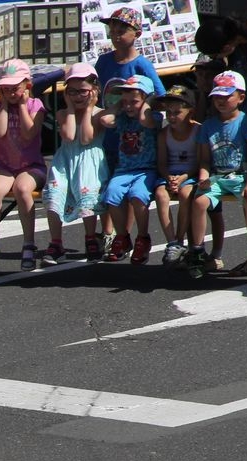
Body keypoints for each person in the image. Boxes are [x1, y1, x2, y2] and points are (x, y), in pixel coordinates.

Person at [94, 6, 164, 254]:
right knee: (111, 187)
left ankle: (133, 237)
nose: (115, 34)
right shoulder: (104, 62)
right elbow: (96, 92)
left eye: (122, 29)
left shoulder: (142, 64)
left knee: (134, 190)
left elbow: (160, 97)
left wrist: (145, 112)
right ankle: (113, 236)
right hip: (111, 136)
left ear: (136, 33)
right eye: (112, 29)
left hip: (139, 137)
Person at [184, 71, 247, 279]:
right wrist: (203, 176)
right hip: (217, 176)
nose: (221, 100)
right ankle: (198, 252)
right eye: (217, 96)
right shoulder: (208, 125)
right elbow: (204, 160)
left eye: (227, 96)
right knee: (199, 201)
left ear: (241, 97)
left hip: (241, 175)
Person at [41, 64, 109, 265]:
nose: (78, 96)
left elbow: (87, 138)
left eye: (83, 91)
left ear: (94, 90)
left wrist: (88, 109)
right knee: (55, 191)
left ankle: (90, 238)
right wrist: (70, 108)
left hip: (90, 162)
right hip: (65, 161)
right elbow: (70, 136)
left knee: (85, 189)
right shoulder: (64, 114)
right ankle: (56, 242)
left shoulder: (98, 113)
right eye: (72, 92)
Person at [0, 58, 44, 275]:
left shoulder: (35, 105)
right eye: (5, 89)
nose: (10, 93)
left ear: (27, 86)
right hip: (5, 164)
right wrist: (5, 106)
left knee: (22, 189)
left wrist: (22, 106)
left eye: (15, 88)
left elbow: (29, 134)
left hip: (31, 165)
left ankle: (28, 244)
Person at [97, 76, 162, 264]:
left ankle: (142, 237)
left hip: (146, 169)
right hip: (124, 169)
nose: (128, 106)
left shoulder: (153, 117)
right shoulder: (122, 117)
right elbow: (105, 120)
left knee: (138, 196)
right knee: (112, 193)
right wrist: (119, 105)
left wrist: (149, 101)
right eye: (124, 101)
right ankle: (123, 237)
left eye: (133, 101)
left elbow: (144, 119)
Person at [152, 85, 202, 266]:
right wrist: (169, 177)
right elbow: (162, 163)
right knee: (160, 194)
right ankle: (172, 241)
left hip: (190, 174)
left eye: (177, 112)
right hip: (170, 174)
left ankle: (180, 240)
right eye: (168, 112)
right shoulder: (164, 134)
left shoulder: (198, 131)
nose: (171, 117)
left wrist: (182, 178)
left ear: (190, 112)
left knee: (185, 193)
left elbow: (200, 161)